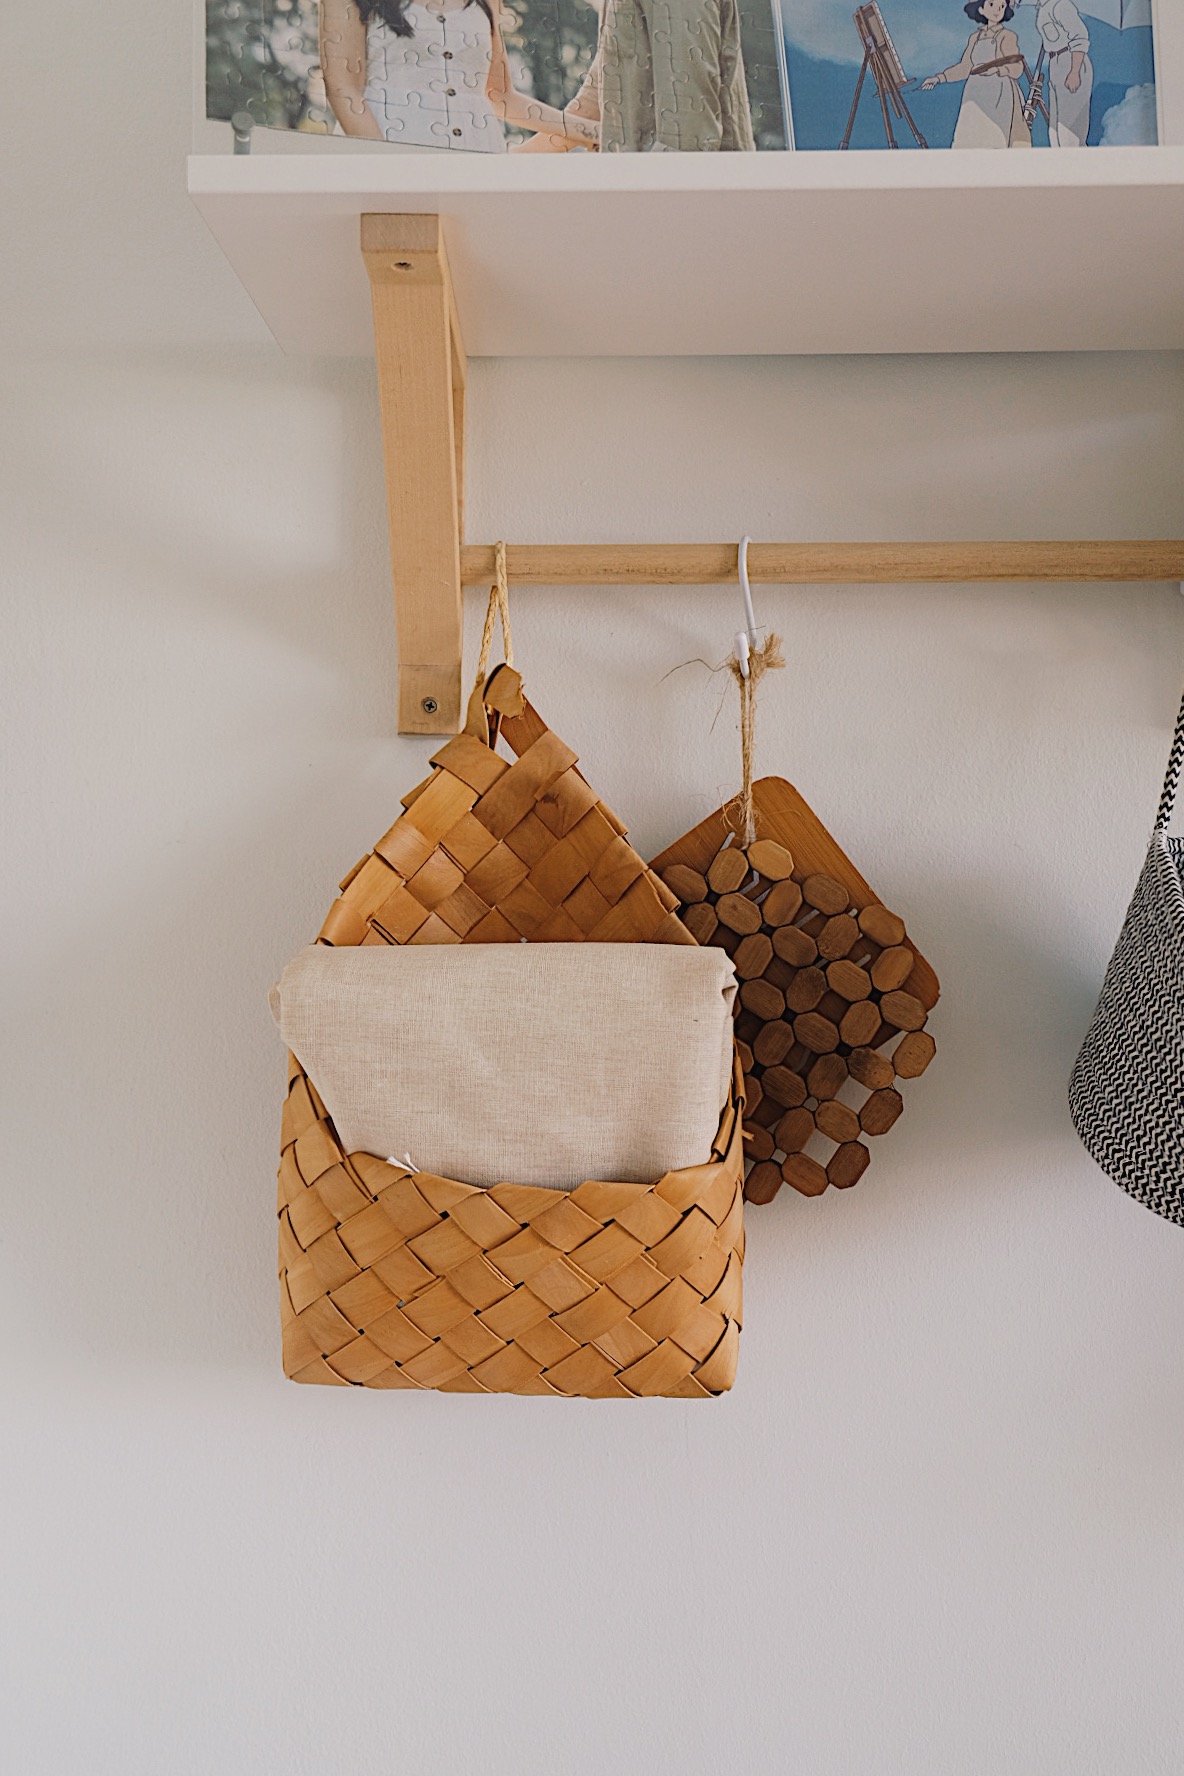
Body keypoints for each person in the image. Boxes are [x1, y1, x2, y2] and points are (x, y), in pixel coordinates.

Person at [320, 0, 598, 152]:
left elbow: (500, 97)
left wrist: (590, 131)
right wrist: (385, 164)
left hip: (479, 157)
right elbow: (344, 89)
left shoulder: (486, 2)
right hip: (389, 155)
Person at [921, 0, 1031, 149]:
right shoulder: (975, 37)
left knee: (996, 138)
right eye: (992, 4)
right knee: (970, 139)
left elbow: (1017, 67)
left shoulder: (1007, 35)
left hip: (1000, 94)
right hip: (975, 94)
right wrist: (938, 78)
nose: (997, 10)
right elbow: (965, 67)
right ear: (981, 9)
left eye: (1001, 6)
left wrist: (998, 70)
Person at [1020, 0, 1093, 146]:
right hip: (1055, 63)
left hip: (1071, 60)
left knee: (1070, 132)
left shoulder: (1060, 6)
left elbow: (1081, 36)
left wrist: (1074, 71)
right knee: (1055, 131)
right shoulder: (1043, 7)